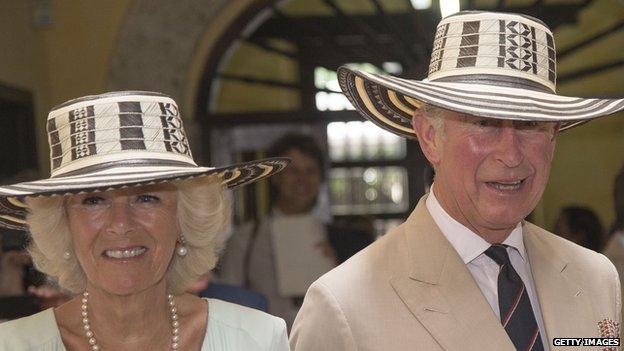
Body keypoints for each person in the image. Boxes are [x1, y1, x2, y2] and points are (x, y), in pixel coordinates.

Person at [291, 11, 623, 351]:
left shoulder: (596, 278)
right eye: (483, 122)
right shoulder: (344, 308)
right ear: (430, 136)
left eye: (531, 124)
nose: (510, 155)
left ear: (553, 137)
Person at [0, 91, 290, 350]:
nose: (121, 224)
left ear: (184, 221)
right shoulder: (12, 345)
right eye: (93, 201)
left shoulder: (256, 339)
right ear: (63, 226)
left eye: (147, 198)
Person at [218, 132, 332, 328]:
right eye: (293, 171)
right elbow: (228, 303)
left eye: (310, 171)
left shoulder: (340, 239)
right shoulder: (246, 238)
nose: (302, 180)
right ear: (275, 178)